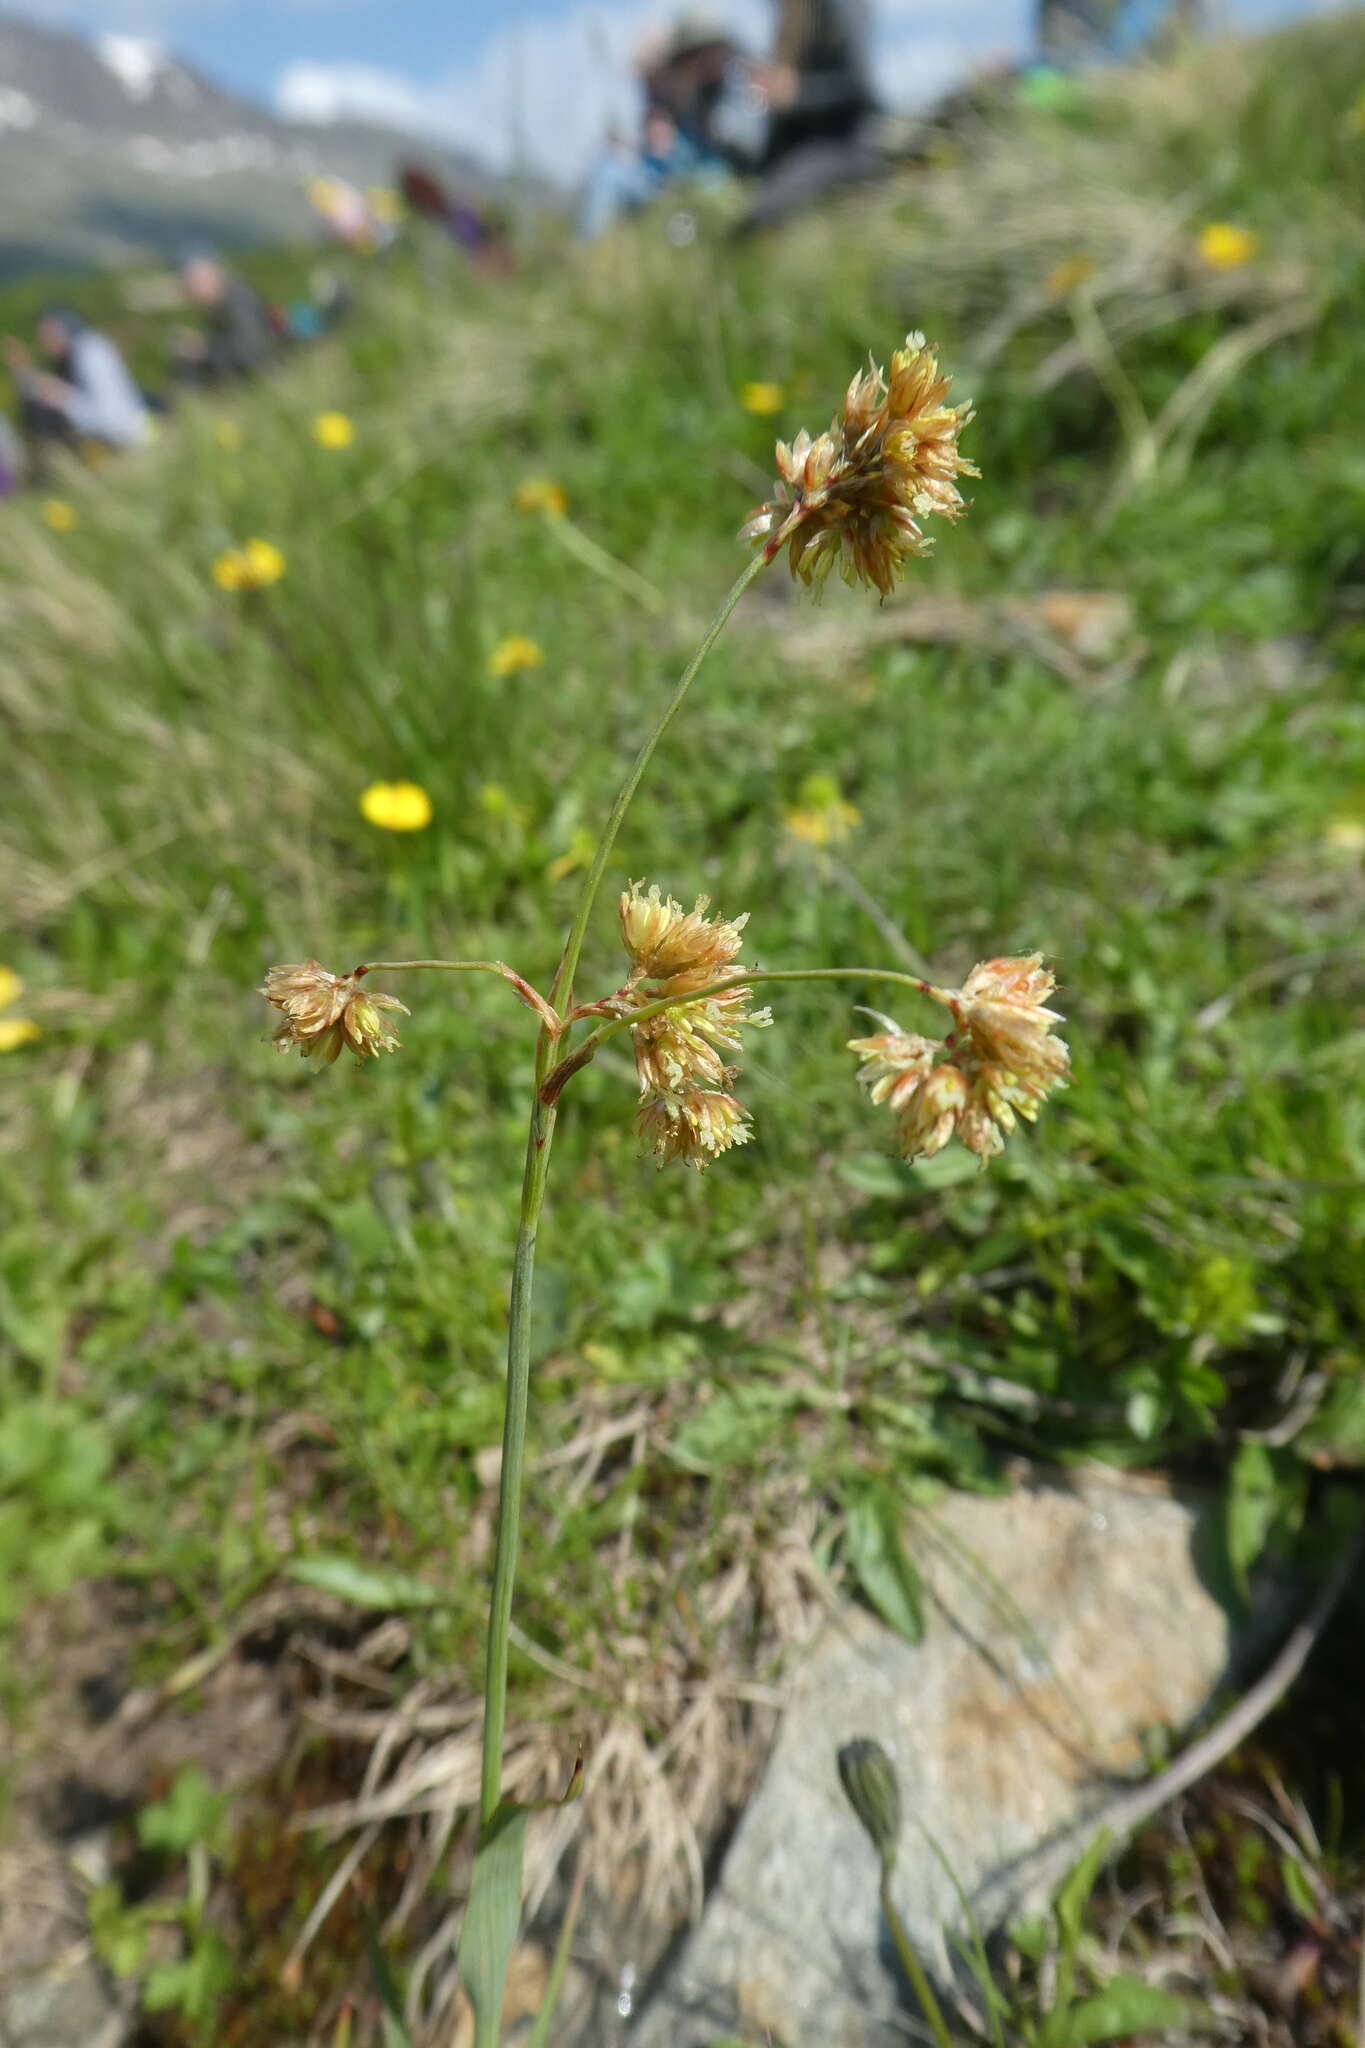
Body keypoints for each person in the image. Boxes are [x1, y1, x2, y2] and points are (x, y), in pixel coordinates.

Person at [738, 0, 883, 232]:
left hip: (842, 143)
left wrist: (797, 96)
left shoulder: (842, 10)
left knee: (762, 218)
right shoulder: (788, 24)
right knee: (749, 221)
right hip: (800, 151)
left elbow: (858, 89)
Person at [2, 308, 149, 467]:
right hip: (112, 442)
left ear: (63, 328)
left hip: (129, 440)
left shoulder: (90, 353)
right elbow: (45, 389)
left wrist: (64, 398)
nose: (43, 343)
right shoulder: (77, 353)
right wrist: (22, 371)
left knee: (39, 413)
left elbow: (112, 420)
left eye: (46, 335)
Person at [171, 254, 275, 384]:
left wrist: (204, 349)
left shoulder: (239, 302)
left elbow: (251, 350)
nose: (191, 295)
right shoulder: (221, 306)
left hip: (263, 378)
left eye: (192, 287)